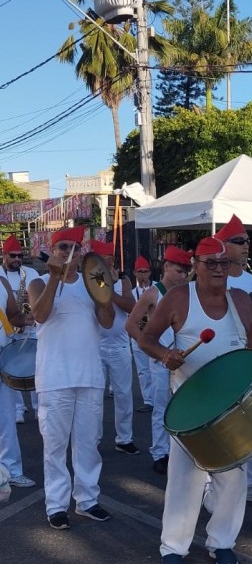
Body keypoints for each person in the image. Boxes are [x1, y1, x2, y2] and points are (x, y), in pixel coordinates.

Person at [138, 237, 252, 564]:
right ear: (196, 266)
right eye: (211, 263)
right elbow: (146, 337)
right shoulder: (179, 297)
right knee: (184, 480)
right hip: (191, 404)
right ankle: (173, 548)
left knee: (233, 479)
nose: (219, 269)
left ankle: (222, 542)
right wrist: (166, 355)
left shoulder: (242, 301)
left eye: (224, 263)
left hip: (232, 406)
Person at [28, 226, 115, 530]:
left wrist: (105, 293)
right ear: (52, 251)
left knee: (88, 443)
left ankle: (88, 500)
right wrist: (55, 276)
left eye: (74, 248)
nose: (68, 252)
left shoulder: (93, 282)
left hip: (89, 375)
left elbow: (107, 322)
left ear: (81, 253)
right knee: (54, 445)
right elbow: (39, 314)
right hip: (54, 377)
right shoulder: (39, 282)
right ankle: (56, 504)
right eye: (62, 247)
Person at [125, 246, 192, 475]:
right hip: (161, 360)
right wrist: (151, 348)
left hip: (184, 361)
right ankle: (160, 453)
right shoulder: (153, 293)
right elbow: (131, 325)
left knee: (184, 407)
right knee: (161, 407)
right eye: (178, 270)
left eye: (185, 271)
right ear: (166, 267)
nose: (183, 275)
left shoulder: (187, 292)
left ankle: (180, 450)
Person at [214, 215, 252, 504]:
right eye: (239, 241)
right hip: (220, 357)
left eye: (247, 242)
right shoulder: (211, 278)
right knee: (221, 425)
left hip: (247, 356)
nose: (246, 246)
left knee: (251, 423)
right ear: (223, 245)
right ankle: (215, 485)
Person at [90, 239, 139, 456]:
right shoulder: (89, 281)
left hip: (120, 347)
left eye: (109, 259)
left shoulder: (124, 282)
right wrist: (101, 284)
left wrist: (111, 288)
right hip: (96, 347)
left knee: (123, 395)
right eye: (103, 260)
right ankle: (93, 439)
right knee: (94, 397)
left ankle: (124, 438)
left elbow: (131, 307)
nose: (107, 264)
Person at [0, 251, 36, 490]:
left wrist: (33, 317)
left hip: (2, 356)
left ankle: (11, 469)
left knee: (5, 418)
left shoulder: (1, 282)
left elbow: (12, 315)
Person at [0, 234, 39, 423]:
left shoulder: (30, 274)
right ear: (4, 255)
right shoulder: (1, 277)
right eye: (13, 256)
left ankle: (39, 407)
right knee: (12, 369)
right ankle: (18, 409)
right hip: (8, 331)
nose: (17, 259)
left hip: (28, 328)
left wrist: (31, 302)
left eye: (19, 256)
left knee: (34, 369)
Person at [130, 256, 154, 413]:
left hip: (155, 336)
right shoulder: (132, 293)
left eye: (145, 272)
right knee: (143, 370)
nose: (143, 275)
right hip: (138, 334)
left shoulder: (157, 289)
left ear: (150, 273)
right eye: (140, 272)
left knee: (158, 369)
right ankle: (148, 400)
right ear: (134, 273)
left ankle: (160, 397)